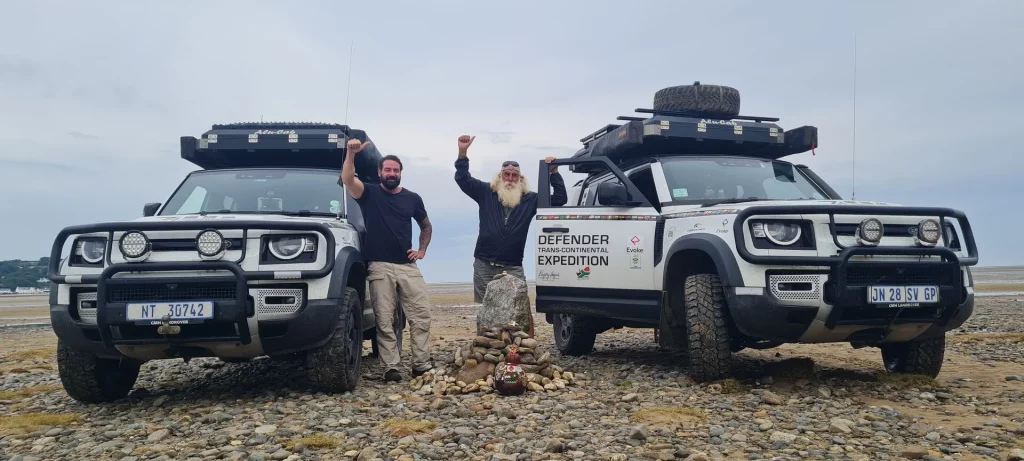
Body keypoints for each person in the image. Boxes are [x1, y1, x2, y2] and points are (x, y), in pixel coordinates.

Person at [341, 138, 433, 383]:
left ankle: (421, 365)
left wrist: (422, 250)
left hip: (408, 266)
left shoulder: (413, 198)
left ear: (400, 173)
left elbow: (425, 225)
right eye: (388, 170)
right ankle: (390, 367)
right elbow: (348, 179)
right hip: (379, 266)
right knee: (385, 319)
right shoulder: (368, 192)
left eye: (396, 170)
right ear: (380, 172)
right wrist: (351, 154)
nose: (392, 174)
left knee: (421, 316)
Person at [453, 135, 568, 304]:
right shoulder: (486, 192)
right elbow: (463, 179)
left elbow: (560, 199)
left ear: (521, 179)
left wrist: (554, 173)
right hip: (484, 264)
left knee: (516, 309)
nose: (510, 179)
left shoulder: (531, 199)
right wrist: (462, 152)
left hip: (512, 266)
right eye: (506, 174)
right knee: (487, 311)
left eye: (515, 175)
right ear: (500, 176)